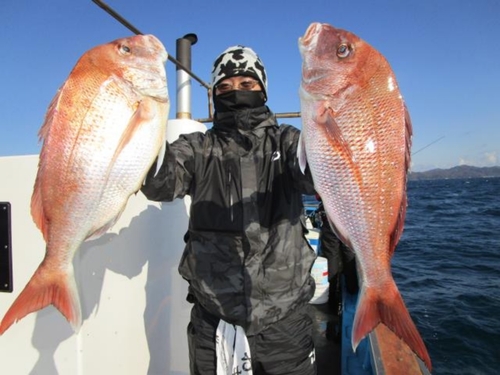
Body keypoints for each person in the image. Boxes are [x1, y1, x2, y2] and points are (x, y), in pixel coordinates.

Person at [141, 45, 318, 375]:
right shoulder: (198, 148)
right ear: (213, 95)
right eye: (224, 87)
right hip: (214, 321)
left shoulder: (288, 142)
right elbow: (161, 183)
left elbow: (317, 175)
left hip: (285, 324)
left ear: (262, 89)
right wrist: (137, 127)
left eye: (247, 85)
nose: (235, 92)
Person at [313, 195, 358, 314]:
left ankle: (332, 295)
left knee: (331, 257)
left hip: (330, 219)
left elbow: (318, 195)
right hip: (350, 220)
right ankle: (352, 290)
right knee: (349, 255)